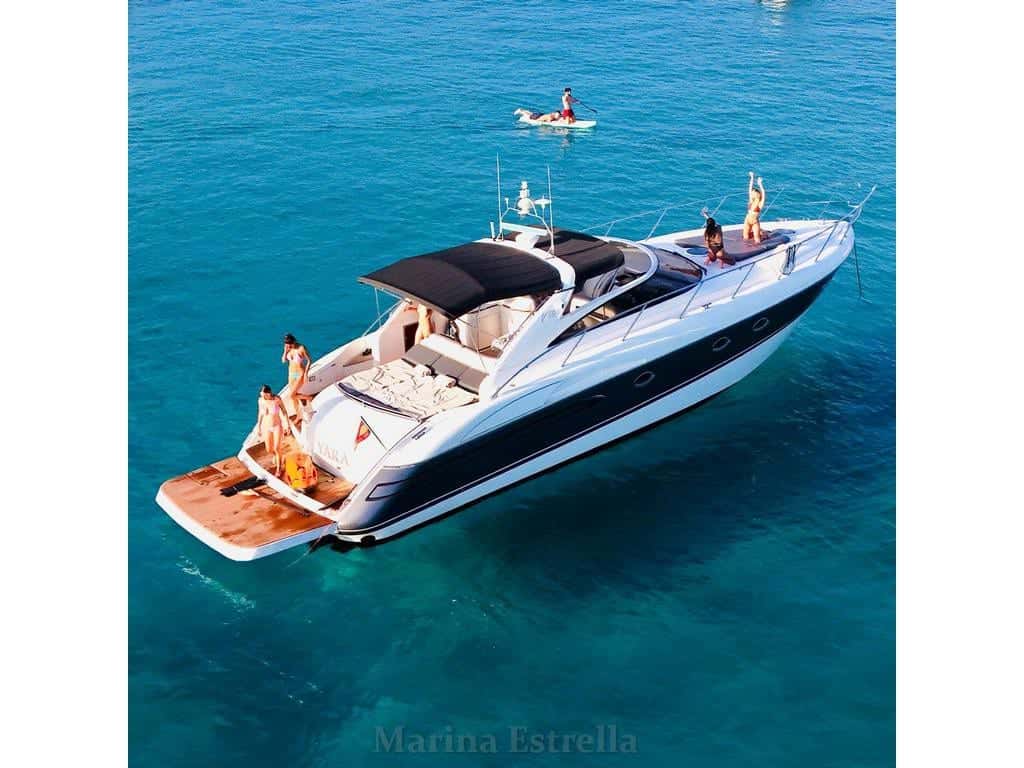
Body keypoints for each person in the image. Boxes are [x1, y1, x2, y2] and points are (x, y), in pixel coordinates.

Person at [256, 384, 289, 477]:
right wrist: (259, 427)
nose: (262, 396)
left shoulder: (276, 400)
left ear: (269, 393)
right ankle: (279, 456)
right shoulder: (261, 401)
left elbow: (284, 411)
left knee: (276, 448)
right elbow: (260, 413)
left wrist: (287, 425)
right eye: (261, 394)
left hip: (277, 426)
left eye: (264, 395)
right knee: (269, 449)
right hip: (266, 427)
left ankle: (279, 469)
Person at [281, 333, 310, 419]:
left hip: (300, 373)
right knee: (293, 397)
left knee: (291, 395)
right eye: (287, 344)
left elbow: (309, 361)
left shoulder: (301, 348)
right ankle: (298, 415)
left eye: (290, 344)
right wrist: (285, 351)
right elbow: (283, 360)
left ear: (294, 341)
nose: (289, 346)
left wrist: (306, 374)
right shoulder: (288, 348)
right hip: (291, 374)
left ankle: (308, 397)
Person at [743, 172, 767, 244]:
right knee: (745, 236)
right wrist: (752, 177)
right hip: (747, 220)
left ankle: (761, 233)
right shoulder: (751, 201)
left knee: (757, 239)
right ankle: (760, 232)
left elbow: (764, 193)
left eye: (753, 192)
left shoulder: (760, 204)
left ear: (757, 194)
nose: (751, 193)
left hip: (754, 222)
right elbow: (750, 188)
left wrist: (760, 184)